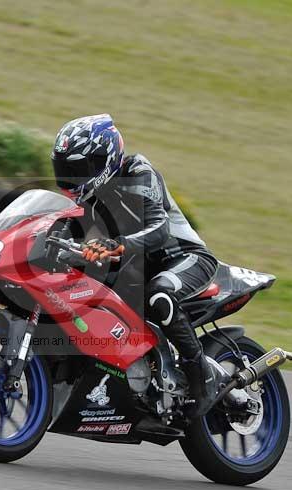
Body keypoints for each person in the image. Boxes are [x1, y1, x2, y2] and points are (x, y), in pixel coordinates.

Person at [51, 114, 221, 416]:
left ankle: (201, 378)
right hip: (136, 266)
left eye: (79, 169)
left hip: (184, 258)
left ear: (106, 157)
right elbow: (64, 230)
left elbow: (159, 230)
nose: (73, 178)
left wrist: (118, 244)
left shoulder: (139, 171)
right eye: (65, 170)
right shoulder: (87, 198)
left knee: (160, 295)